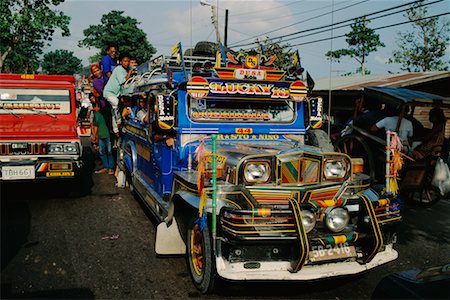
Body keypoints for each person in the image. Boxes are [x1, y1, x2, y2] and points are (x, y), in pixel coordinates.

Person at [103, 52, 135, 135]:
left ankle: (115, 130)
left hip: (116, 94)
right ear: (120, 62)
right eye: (124, 61)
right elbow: (123, 81)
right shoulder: (119, 69)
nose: (126, 63)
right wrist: (130, 72)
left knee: (114, 112)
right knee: (116, 105)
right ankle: (119, 123)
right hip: (109, 93)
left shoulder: (125, 70)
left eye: (128, 61)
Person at [90, 95, 115, 175]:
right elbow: (95, 126)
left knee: (109, 151)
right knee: (102, 152)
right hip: (100, 135)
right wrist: (94, 136)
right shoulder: (96, 114)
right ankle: (106, 167)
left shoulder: (106, 112)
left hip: (108, 134)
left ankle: (111, 168)